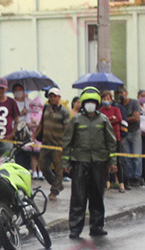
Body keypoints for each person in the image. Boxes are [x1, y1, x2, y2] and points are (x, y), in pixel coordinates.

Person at [62, 87, 117, 239]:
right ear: (83, 104)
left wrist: (113, 162)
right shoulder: (76, 120)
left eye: (93, 102)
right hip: (80, 162)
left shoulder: (103, 120)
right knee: (78, 197)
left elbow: (111, 143)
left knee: (97, 195)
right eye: (88, 102)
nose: (90, 105)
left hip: (99, 163)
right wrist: (65, 163)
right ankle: (75, 229)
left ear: (97, 103)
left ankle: (97, 226)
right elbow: (67, 142)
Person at [34, 87, 71, 201]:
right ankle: (57, 184)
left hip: (58, 145)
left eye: (54, 96)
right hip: (46, 143)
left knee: (58, 169)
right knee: (43, 166)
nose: (52, 98)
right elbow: (41, 124)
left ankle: (54, 191)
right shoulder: (46, 108)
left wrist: (66, 145)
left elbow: (67, 129)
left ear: (59, 97)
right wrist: (34, 136)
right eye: (50, 96)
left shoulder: (64, 112)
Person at [99, 90, 125, 193]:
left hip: (116, 138)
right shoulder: (100, 110)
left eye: (108, 99)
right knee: (105, 161)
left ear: (111, 100)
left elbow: (119, 119)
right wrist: (111, 119)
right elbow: (102, 121)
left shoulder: (116, 109)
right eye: (104, 99)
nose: (106, 101)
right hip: (104, 138)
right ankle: (107, 182)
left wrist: (109, 120)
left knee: (117, 161)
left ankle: (121, 183)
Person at [118, 86, 142, 187]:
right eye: (118, 93)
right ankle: (129, 176)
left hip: (135, 131)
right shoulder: (119, 105)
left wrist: (123, 119)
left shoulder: (134, 103)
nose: (120, 95)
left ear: (126, 93)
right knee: (126, 156)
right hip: (125, 132)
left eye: (121, 93)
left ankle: (136, 177)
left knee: (136, 155)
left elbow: (136, 118)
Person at [25, 96, 44, 179]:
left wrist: (36, 124)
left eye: (38, 106)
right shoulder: (29, 115)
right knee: (33, 156)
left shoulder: (41, 115)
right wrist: (33, 124)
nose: (36, 107)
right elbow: (28, 124)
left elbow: (42, 125)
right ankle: (34, 171)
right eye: (34, 105)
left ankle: (40, 172)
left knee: (40, 156)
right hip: (31, 136)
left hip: (39, 138)